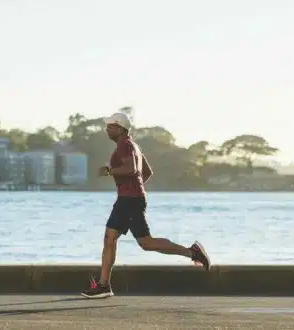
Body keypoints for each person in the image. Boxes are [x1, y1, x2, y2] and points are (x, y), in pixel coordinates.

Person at [81, 112, 211, 299]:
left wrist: (110, 171)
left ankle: (104, 285)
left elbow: (132, 169)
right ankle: (192, 253)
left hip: (129, 201)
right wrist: (135, 188)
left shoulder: (125, 145)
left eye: (110, 125)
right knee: (129, 240)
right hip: (131, 199)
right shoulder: (133, 145)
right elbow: (146, 172)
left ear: (120, 128)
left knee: (128, 240)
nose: (107, 129)